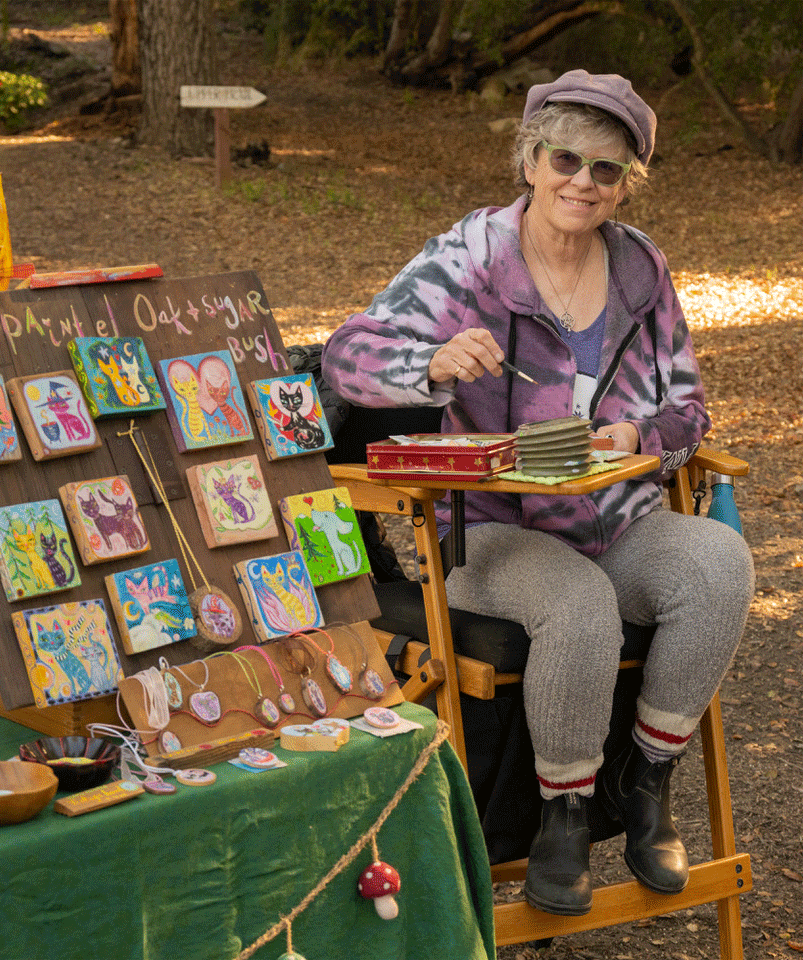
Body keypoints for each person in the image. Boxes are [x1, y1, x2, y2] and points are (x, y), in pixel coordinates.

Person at [321, 69, 754, 916]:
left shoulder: (639, 266)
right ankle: (563, 816)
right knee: (579, 602)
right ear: (530, 159)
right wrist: (431, 364)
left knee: (718, 562)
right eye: (565, 159)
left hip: (616, 517)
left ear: (627, 181)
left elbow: (689, 403)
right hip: (490, 533)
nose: (581, 184)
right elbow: (347, 355)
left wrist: (643, 437)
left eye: (606, 170)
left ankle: (647, 787)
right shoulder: (472, 255)